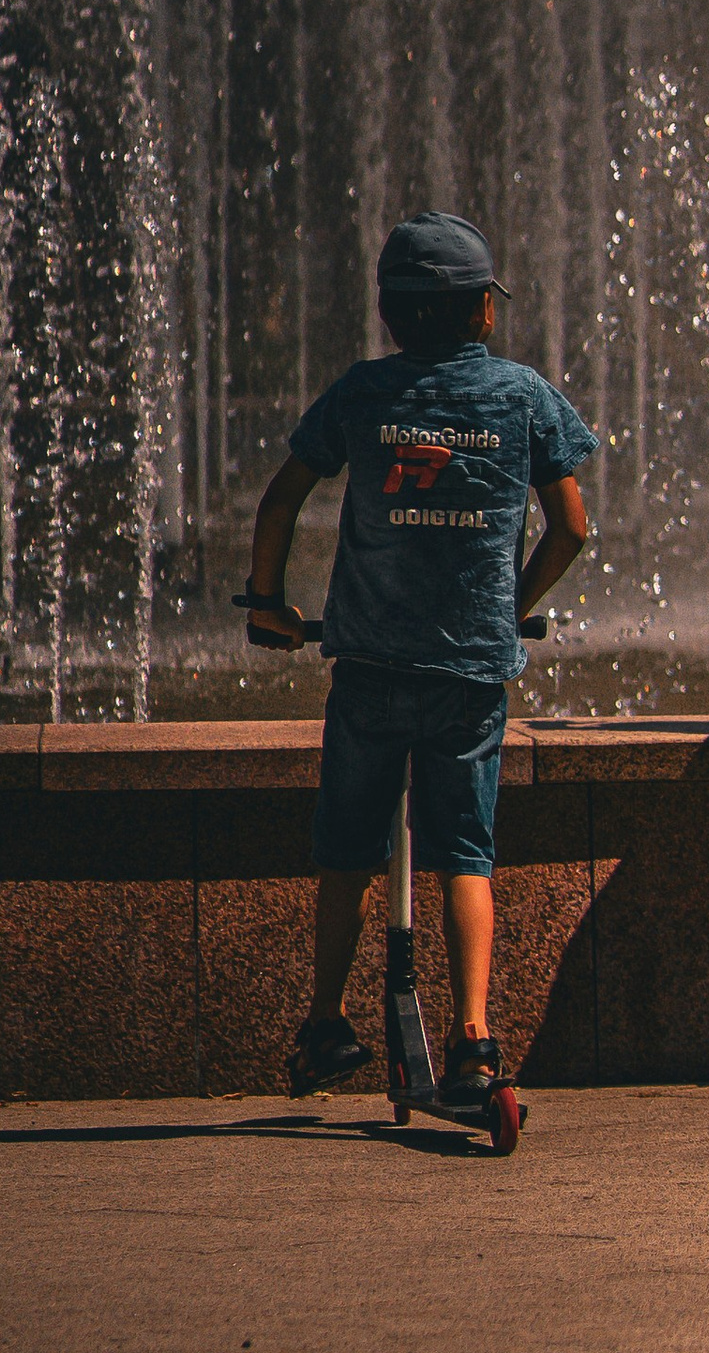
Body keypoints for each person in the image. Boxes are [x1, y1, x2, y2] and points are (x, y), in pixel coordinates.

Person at [243, 210, 596, 1109]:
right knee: (466, 852)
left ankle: (326, 1022)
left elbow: (281, 501)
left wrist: (268, 604)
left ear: (389, 316)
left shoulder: (362, 394)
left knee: (347, 849)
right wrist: (511, 607)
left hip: (368, 668)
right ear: (483, 311)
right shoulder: (522, 396)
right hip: (470, 676)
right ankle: (475, 1037)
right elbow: (575, 528)